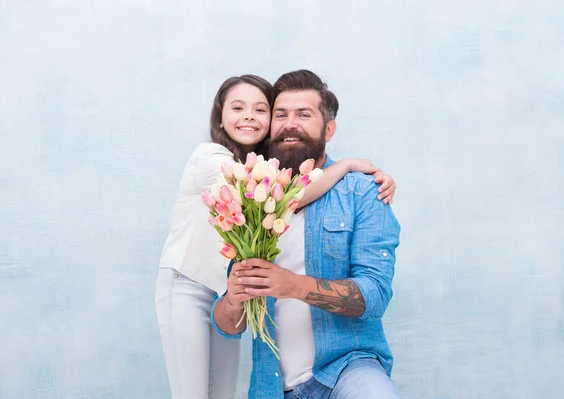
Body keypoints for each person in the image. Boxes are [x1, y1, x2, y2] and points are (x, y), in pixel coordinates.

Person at [155, 74, 397, 399]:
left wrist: (291, 285)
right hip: (270, 385)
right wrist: (233, 300)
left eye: (304, 114)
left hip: (347, 371)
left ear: (329, 130)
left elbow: (375, 295)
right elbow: (229, 323)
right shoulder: (249, 197)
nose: (290, 125)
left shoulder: (363, 190)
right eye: (281, 115)